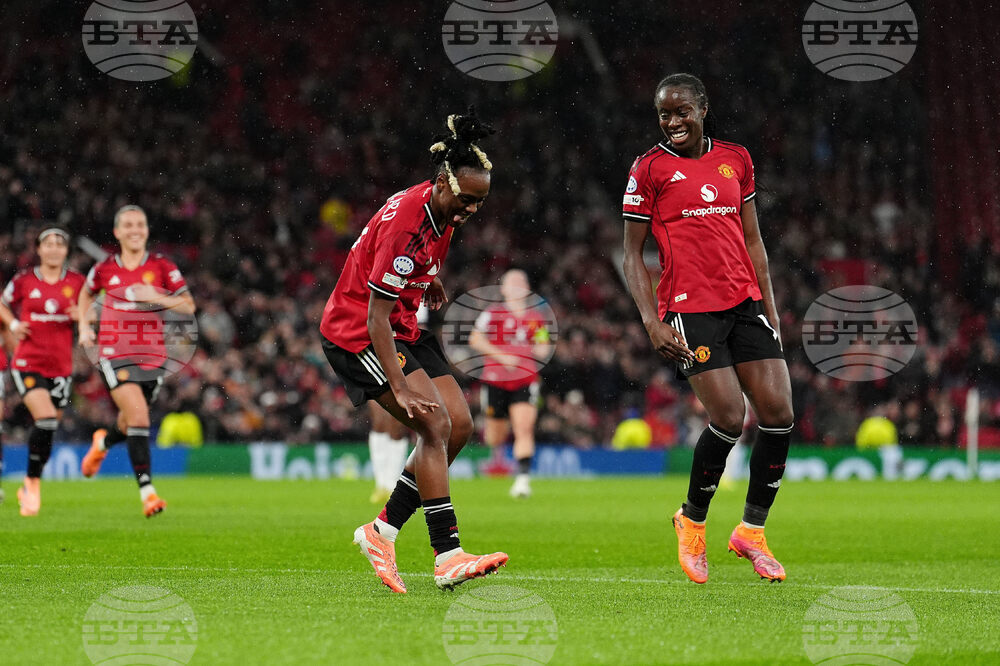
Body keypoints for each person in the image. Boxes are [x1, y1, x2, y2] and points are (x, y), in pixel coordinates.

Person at [320, 108, 508, 592]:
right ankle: (447, 555)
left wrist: (429, 278)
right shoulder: (412, 220)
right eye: (466, 200)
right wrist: (399, 388)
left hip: (403, 325)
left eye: (479, 204)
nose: (470, 211)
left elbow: (403, 261)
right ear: (443, 184)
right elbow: (373, 315)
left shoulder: (439, 209)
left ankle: (380, 532)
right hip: (358, 333)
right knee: (433, 422)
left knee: (460, 427)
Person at [622, 73, 794, 583]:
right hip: (688, 306)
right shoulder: (649, 168)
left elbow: (754, 239)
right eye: (664, 114)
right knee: (727, 415)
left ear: (702, 108)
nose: (673, 122)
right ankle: (691, 521)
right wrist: (651, 321)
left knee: (780, 414)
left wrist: (771, 305)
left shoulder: (736, 158)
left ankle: (751, 533)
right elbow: (632, 255)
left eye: (681, 111)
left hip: (745, 301)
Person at [77, 205, 196, 517]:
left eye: (140, 224)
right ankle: (148, 493)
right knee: (140, 418)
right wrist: (84, 327)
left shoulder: (162, 266)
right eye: (128, 225)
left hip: (152, 355)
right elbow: (85, 295)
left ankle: (102, 444)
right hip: (114, 352)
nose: (135, 230)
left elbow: (187, 306)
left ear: (147, 230)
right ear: (117, 232)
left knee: (130, 421)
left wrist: (153, 295)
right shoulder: (104, 268)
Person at [0, 227, 86, 516]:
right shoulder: (24, 280)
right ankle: (32, 483)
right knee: (46, 417)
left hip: (61, 368)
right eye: (48, 243)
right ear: (38, 249)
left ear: (66, 251)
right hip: (28, 362)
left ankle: (31, 476)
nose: (53, 248)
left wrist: (84, 315)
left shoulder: (76, 281)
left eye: (59, 244)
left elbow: (97, 309)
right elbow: (2, 302)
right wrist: (12, 324)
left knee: (49, 426)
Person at [468, 269, 551, 498]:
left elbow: (543, 344)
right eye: (512, 282)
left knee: (524, 427)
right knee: (495, 435)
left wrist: (537, 349)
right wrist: (503, 356)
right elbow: (475, 338)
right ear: (503, 289)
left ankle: (523, 479)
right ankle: (500, 458)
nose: (517, 285)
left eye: (521, 281)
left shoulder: (536, 317)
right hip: (495, 380)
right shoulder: (493, 313)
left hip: (525, 379)